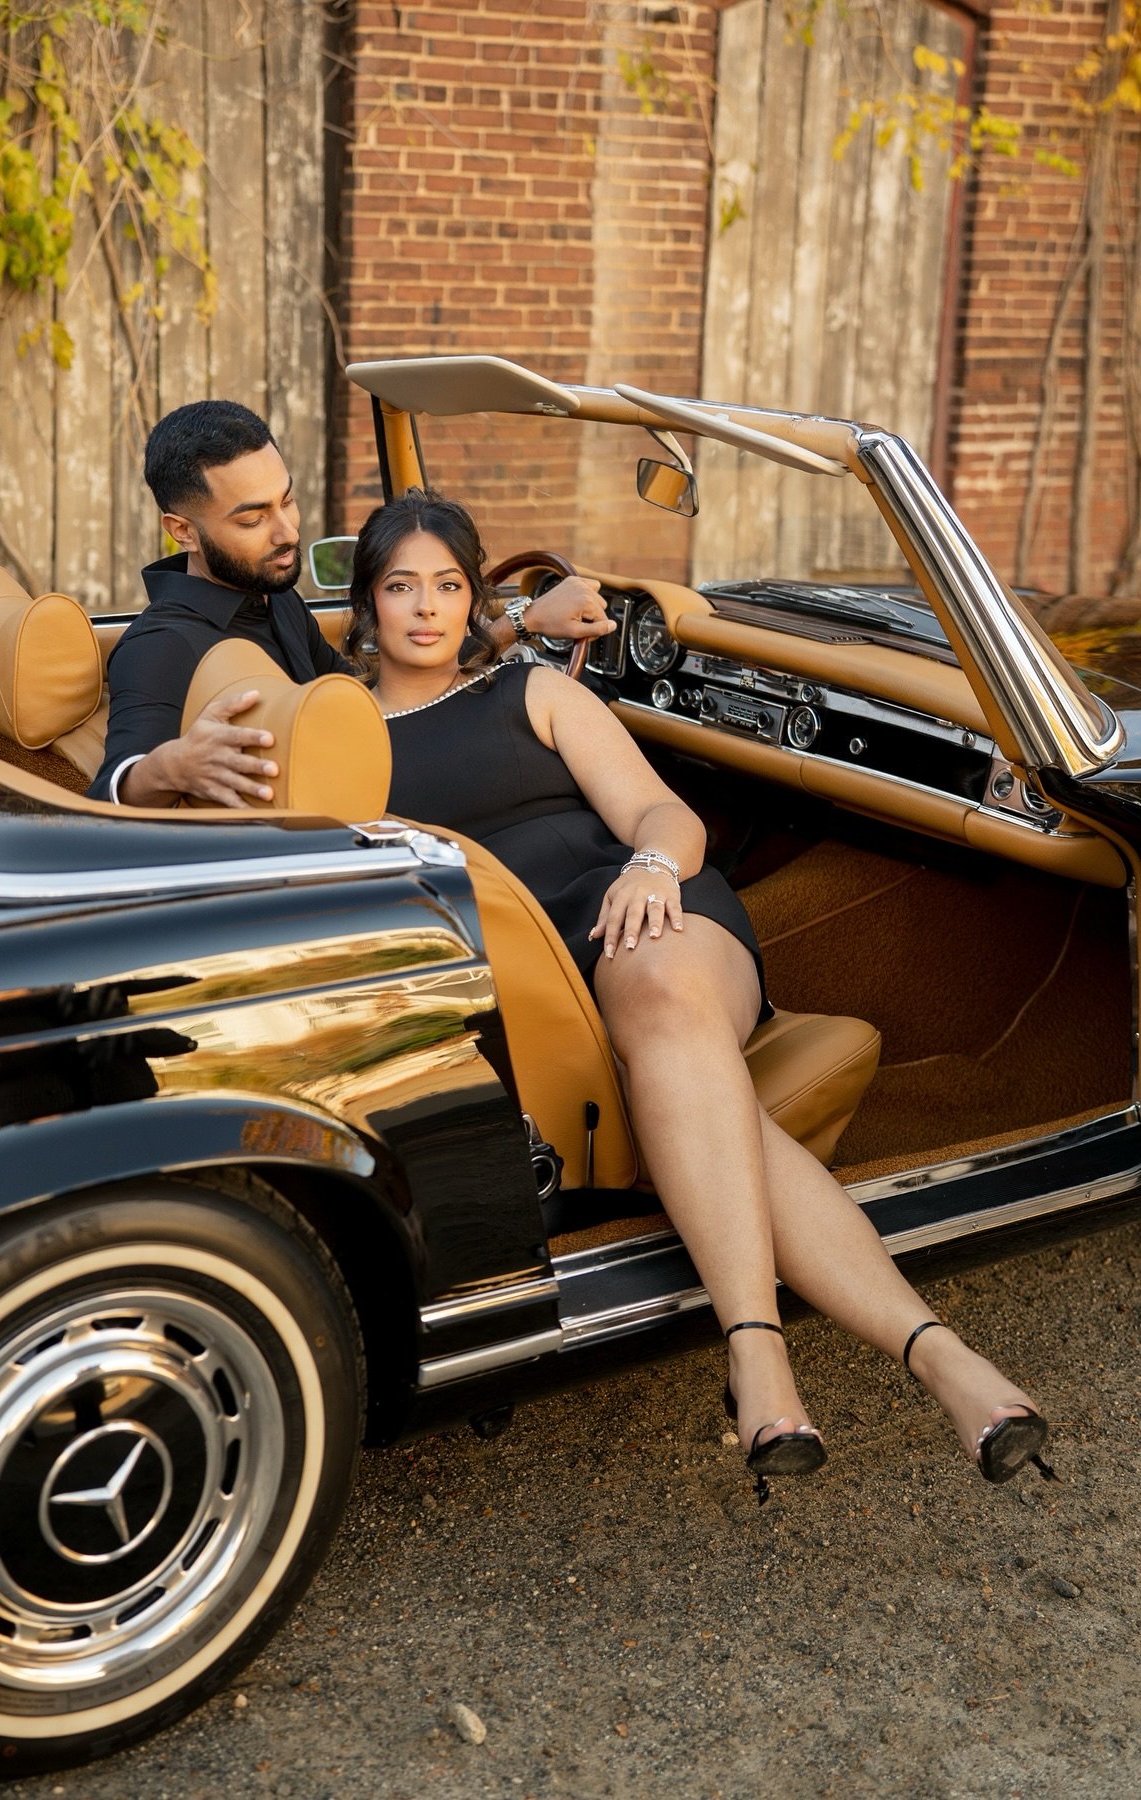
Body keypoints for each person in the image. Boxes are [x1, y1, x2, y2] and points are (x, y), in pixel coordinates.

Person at [349, 487, 1056, 1504]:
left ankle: (756, 1353)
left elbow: (659, 812)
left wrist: (647, 869)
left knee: (663, 1001)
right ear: (366, 605)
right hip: (533, 986)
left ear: (474, 601)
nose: (426, 608)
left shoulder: (532, 694)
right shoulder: (338, 738)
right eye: (401, 586)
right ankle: (943, 1359)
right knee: (702, 1091)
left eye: (450, 585)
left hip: (646, 914)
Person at [90, 400, 615, 808]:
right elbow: (104, 801)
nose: (288, 530)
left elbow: (369, 701)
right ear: (183, 531)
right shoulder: (161, 646)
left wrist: (521, 621)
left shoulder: (275, 600)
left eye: (288, 500)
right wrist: (169, 770)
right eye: (252, 520)